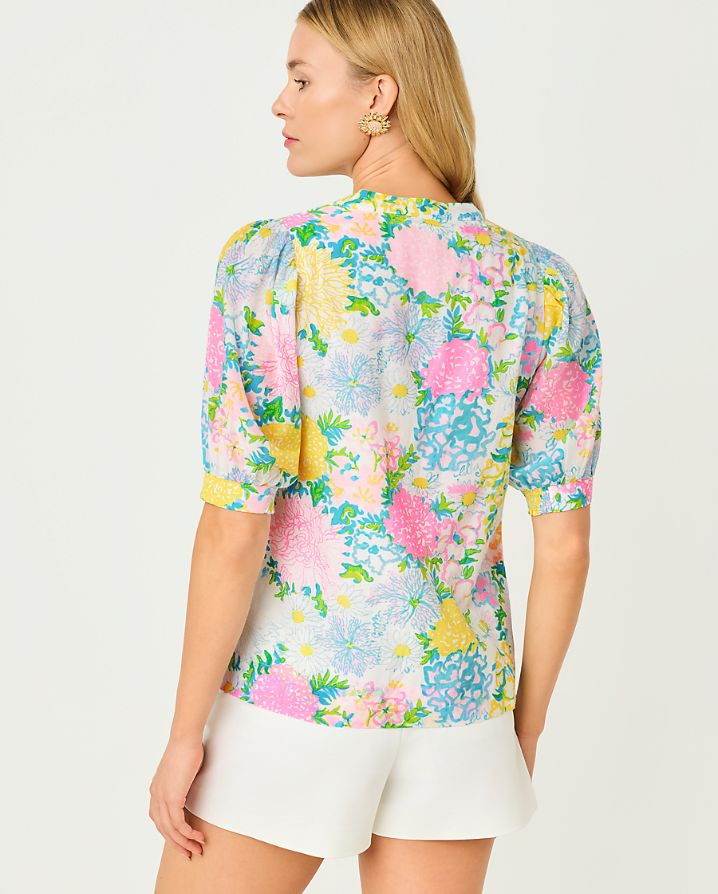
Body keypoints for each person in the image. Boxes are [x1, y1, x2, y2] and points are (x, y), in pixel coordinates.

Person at [150, 1, 604, 891]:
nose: (280, 102)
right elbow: (567, 546)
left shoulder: (274, 262)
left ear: (380, 96)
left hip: (295, 699)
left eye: (302, 78)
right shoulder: (543, 285)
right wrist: (522, 728)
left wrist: (183, 736)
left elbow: (234, 524)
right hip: (462, 711)